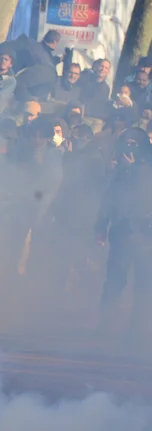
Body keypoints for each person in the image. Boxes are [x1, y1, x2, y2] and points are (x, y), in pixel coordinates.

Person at [94, 127, 152, 338]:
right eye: (126, 143)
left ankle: (138, 332)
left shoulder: (147, 165)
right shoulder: (119, 169)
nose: (129, 148)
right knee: (114, 281)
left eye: (133, 143)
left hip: (146, 236)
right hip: (122, 234)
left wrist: (133, 169)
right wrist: (100, 226)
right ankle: (105, 326)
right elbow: (109, 198)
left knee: (144, 286)